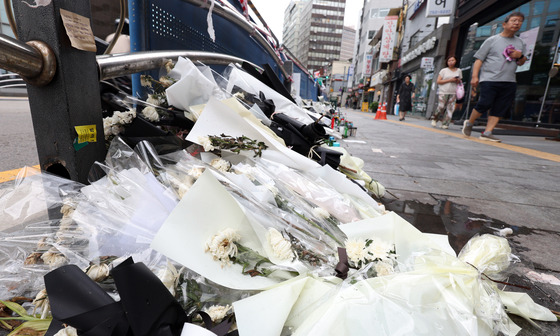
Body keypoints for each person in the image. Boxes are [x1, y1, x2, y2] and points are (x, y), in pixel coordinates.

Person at [462, 12, 527, 142]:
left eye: (520, 21)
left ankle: (487, 132)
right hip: (489, 79)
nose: (517, 23)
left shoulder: (520, 43)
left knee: (500, 107)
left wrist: (520, 56)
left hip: (509, 80)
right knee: (485, 103)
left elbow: (521, 62)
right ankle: (469, 122)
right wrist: (475, 77)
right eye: (514, 20)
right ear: (504, 24)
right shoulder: (492, 40)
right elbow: (479, 59)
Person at [432, 56, 462, 129]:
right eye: (449, 61)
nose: (451, 62)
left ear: (456, 61)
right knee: (441, 106)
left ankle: (445, 123)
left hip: (453, 92)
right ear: (447, 62)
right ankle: (435, 118)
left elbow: (460, 81)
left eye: (452, 60)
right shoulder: (443, 70)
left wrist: (457, 80)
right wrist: (450, 80)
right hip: (443, 91)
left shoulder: (459, 71)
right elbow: (438, 81)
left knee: (450, 108)